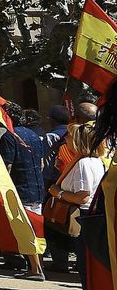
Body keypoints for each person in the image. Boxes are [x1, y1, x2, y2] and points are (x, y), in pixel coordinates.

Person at [46, 119, 111, 281]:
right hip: (90, 216)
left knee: (85, 267)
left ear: (78, 141)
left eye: (69, 135)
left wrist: (58, 192)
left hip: (84, 217)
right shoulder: (92, 161)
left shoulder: (84, 163)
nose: (65, 138)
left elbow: (83, 197)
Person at [0, 109, 48, 279]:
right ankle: (38, 265)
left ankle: (35, 269)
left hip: (20, 188)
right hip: (37, 186)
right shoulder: (34, 135)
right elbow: (41, 163)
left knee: (25, 229)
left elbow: (7, 166)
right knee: (36, 227)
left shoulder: (9, 136)